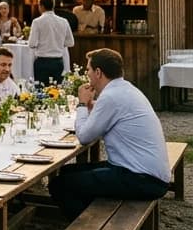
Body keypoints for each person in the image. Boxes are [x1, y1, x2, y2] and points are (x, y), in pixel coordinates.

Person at [49, 48, 171, 219]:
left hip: (142, 179)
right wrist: (93, 107)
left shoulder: (111, 96)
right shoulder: (125, 89)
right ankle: (90, 215)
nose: (88, 75)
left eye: (88, 70)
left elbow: (84, 137)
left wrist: (83, 104)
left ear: (98, 72)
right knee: (68, 172)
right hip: (146, 172)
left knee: (60, 185)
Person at [28, 0, 74, 86]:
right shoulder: (64, 21)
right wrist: (58, 42)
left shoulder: (37, 22)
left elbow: (32, 44)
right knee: (57, 91)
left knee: (41, 91)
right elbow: (71, 43)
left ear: (41, 6)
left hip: (42, 62)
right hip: (58, 62)